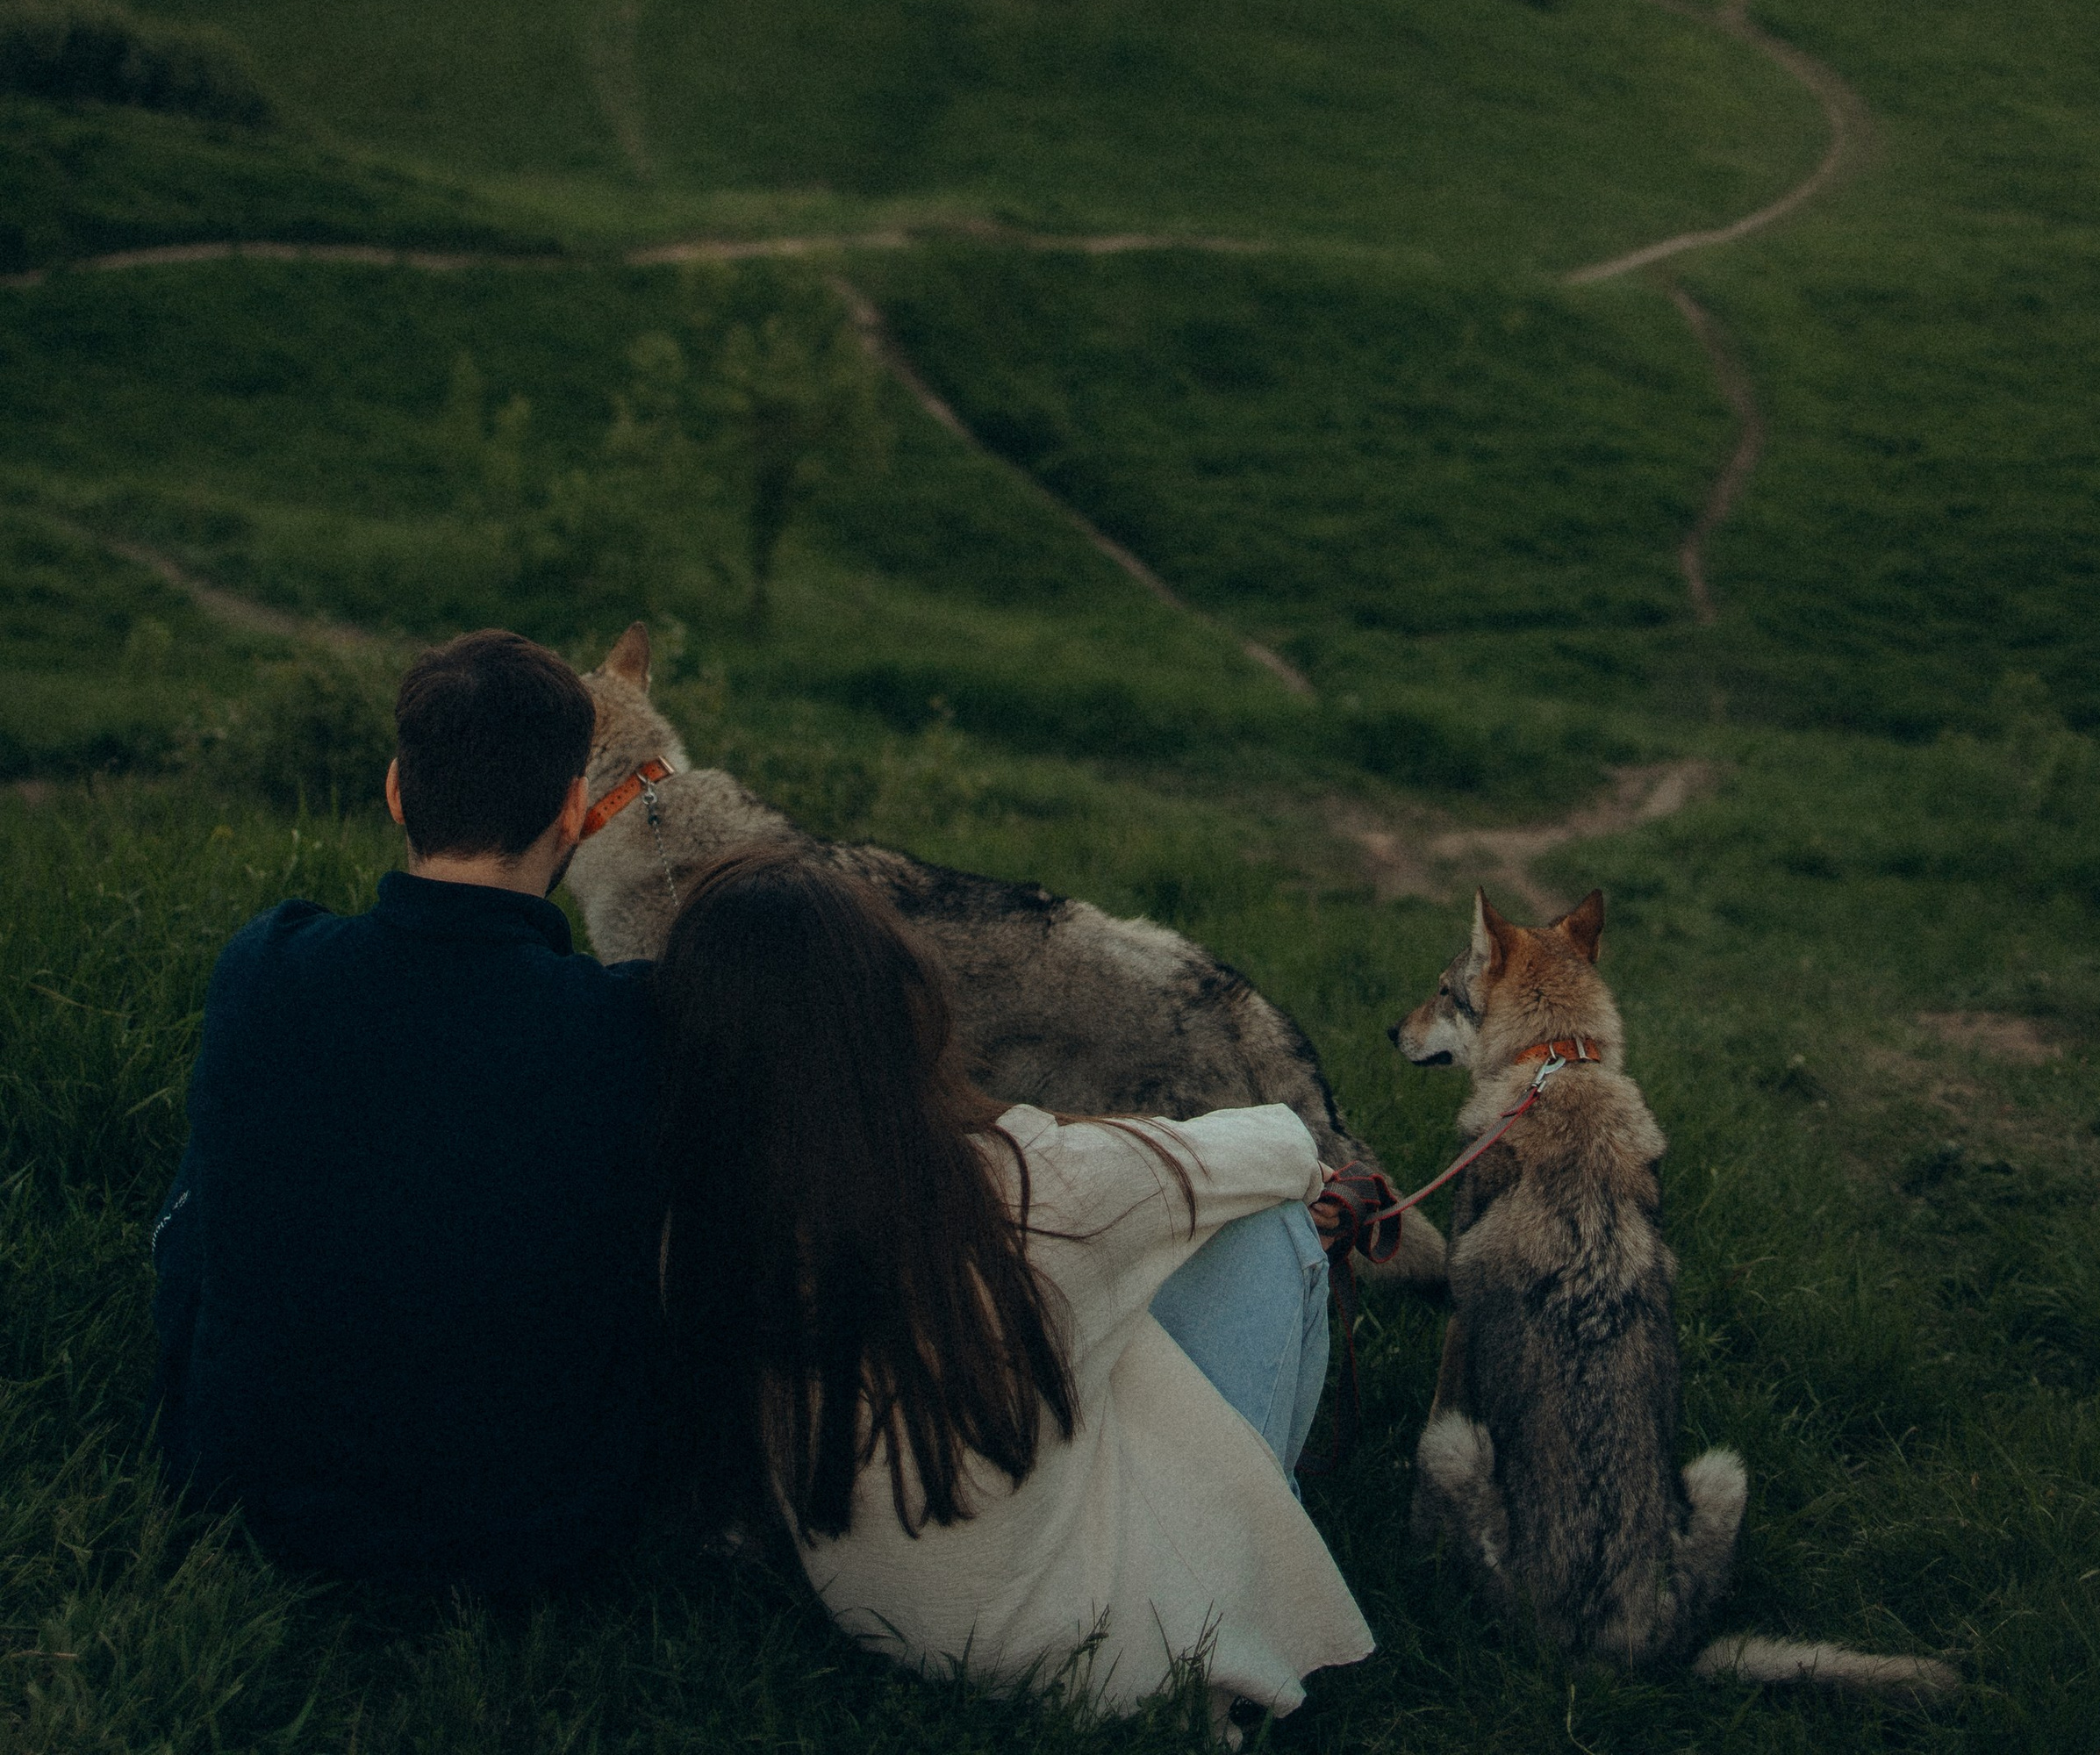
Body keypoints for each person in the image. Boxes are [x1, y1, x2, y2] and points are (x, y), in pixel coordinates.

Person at [653, 855, 1375, 1727]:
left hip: (891, 1621)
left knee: (1110, 1283)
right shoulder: (1020, 1186)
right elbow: (1286, 1146)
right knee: (1266, 1225)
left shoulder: (699, 1219)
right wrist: (1107, 1145)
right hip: (1110, 1662)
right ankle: (1249, 1584)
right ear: (899, 1009)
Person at [153, 630, 658, 1586]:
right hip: (540, 1521)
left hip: (242, 1487)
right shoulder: (627, 1026)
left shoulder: (265, 965)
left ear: (396, 790)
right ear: (576, 811)